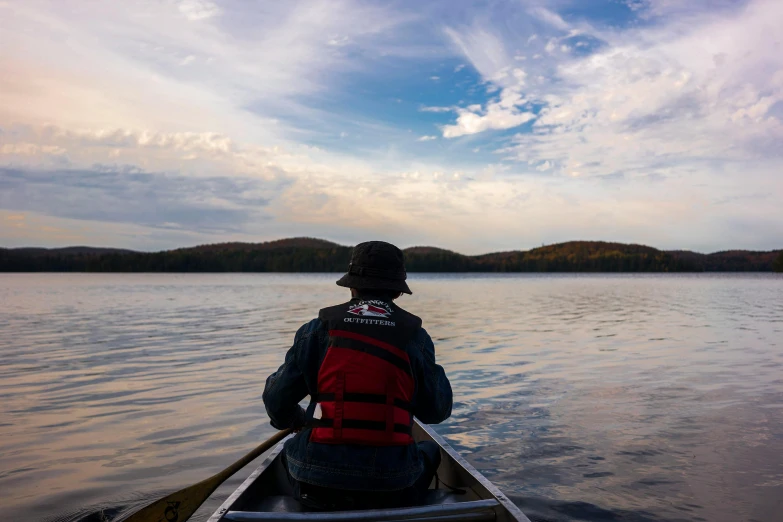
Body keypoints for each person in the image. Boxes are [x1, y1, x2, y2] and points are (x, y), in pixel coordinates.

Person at [262, 240, 453, 510]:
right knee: (430, 451)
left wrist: (295, 419)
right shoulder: (415, 337)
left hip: (318, 485)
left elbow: (276, 401)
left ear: (352, 286)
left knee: (291, 451)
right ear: (398, 292)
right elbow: (437, 411)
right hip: (393, 485)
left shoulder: (316, 330)